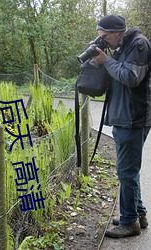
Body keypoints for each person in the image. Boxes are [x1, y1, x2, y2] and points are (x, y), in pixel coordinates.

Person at [93, 15, 151, 238]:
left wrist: (106, 61)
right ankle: (138, 214)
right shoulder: (122, 46)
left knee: (126, 171)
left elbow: (130, 77)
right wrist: (103, 60)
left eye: (105, 37)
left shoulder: (139, 44)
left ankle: (129, 223)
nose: (104, 41)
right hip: (123, 117)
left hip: (133, 118)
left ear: (117, 32)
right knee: (128, 171)